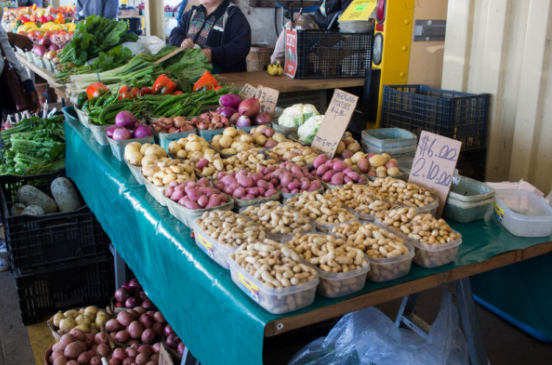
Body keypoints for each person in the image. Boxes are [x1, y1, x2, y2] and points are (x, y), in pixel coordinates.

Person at [168, 0, 251, 74]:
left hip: (223, 81)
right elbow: (174, 35)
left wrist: (210, 55)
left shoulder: (234, 15)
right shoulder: (191, 14)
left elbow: (240, 47)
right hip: (192, 77)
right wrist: (182, 41)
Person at [270, 0, 353, 64]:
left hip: (328, 30)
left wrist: (321, 19)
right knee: (289, 25)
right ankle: (275, 62)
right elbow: (318, 10)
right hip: (317, 22)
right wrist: (320, 18)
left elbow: (342, 16)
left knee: (299, 30)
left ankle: (279, 63)